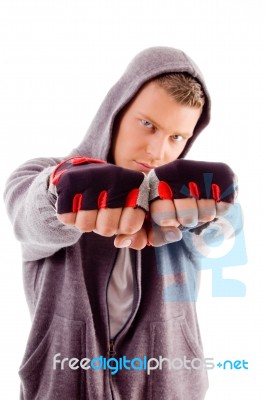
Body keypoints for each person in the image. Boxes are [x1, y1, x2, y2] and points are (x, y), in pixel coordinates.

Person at [4, 47, 238, 400]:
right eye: (148, 125)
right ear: (115, 112)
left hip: (169, 385)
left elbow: (217, 234)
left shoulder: (184, 194)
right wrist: (61, 190)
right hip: (62, 384)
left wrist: (212, 207)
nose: (158, 151)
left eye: (176, 137)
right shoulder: (40, 174)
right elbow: (28, 218)